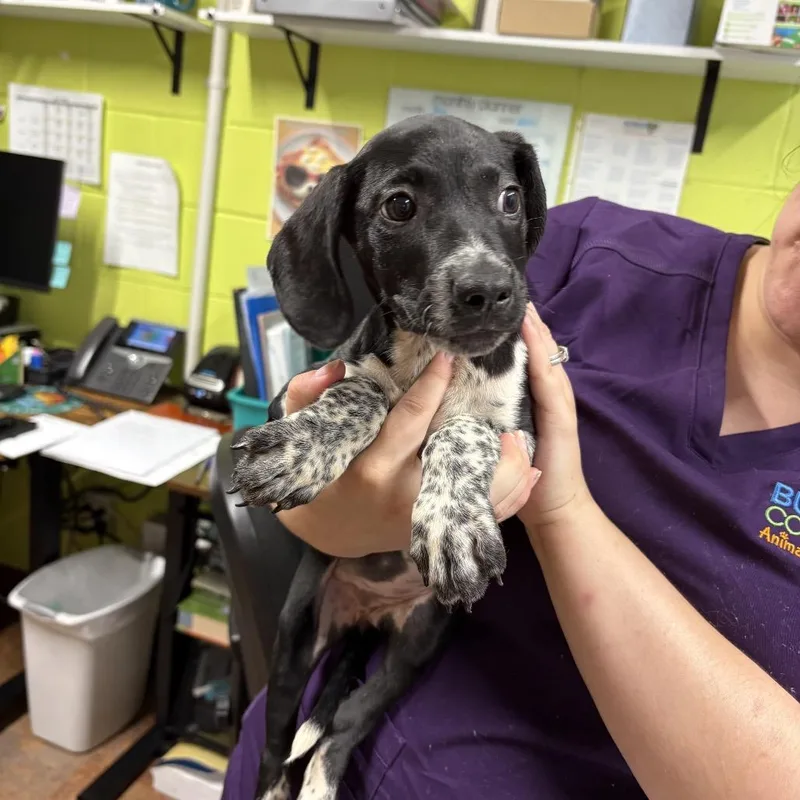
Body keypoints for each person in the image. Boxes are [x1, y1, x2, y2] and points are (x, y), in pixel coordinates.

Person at [222, 187, 800, 799]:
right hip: (299, 754)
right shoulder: (578, 253)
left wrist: (560, 509)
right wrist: (336, 502)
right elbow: (304, 487)